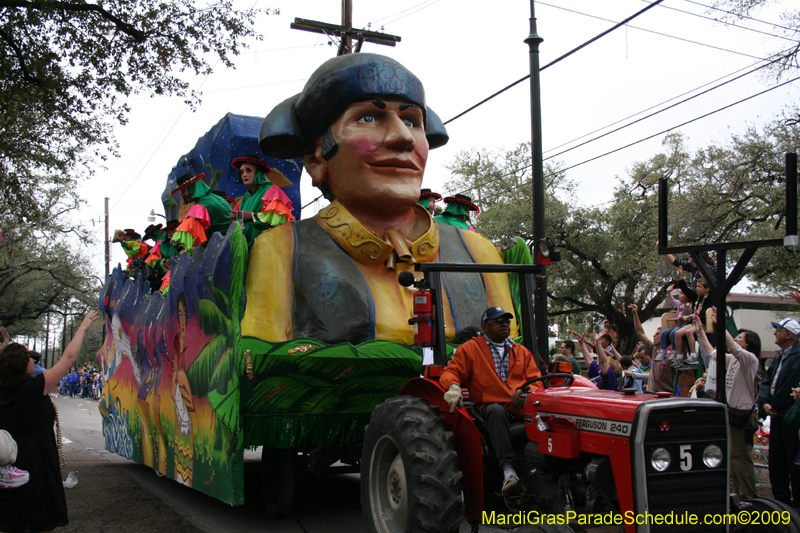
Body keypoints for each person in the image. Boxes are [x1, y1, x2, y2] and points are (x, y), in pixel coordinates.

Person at [247, 52, 516, 345]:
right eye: (368, 117)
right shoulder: (282, 251)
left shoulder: (479, 254)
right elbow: (260, 360)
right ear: (316, 157)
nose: (403, 137)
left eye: (411, 121)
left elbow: (515, 355)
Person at [0, 311, 100, 532]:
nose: (32, 362)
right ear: (23, 366)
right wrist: (82, 327)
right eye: (29, 359)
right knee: (41, 517)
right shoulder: (33, 389)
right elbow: (68, 359)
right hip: (36, 461)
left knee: (13, 520)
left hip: (7, 463)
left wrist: (6, 343)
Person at [439, 306, 543, 493]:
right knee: (495, 410)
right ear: (485, 327)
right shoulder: (470, 349)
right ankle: (508, 471)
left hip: (520, 407)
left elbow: (536, 381)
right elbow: (451, 372)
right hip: (491, 407)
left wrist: (527, 394)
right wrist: (453, 387)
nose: (505, 324)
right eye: (498, 321)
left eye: (507, 321)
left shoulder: (522, 352)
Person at [695, 310, 760, 500]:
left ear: (748, 344)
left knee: (741, 458)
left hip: (743, 414)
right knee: (733, 457)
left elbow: (733, 346)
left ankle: (750, 498)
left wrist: (719, 323)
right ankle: (738, 495)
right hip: (732, 412)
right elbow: (711, 352)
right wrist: (700, 332)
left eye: (740, 338)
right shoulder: (731, 360)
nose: (736, 339)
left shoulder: (749, 360)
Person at [757, 317, 800, 507]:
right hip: (776, 415)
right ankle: (781, 501)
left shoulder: (798, 355)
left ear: (789, 335)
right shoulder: (779, 356)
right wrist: (765, 403)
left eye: (779, 330)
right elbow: (767, 381)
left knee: (793, 460)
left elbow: (791, 383)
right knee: (777, 460)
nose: (775, 333)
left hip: (791, 415)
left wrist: (775, 404)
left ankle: (797, 504)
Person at [228, 153, 294, 248]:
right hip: (246, 247)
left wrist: (251, 216)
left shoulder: (272, 190)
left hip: (266, 247)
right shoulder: (245, 197)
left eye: (248, 170)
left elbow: (279, 220)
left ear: (258, 172)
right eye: (242, 172)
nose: (244, 174)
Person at [172, 171, 232, 244]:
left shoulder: (200, 206)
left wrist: (175, 242)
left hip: (223, 244)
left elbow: (186, 233)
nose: (182, 195)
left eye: (183, 191)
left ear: (191, 188)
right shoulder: (213, 198)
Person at [675, 272, 716, 367]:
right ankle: (679, 356)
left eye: (699, 287)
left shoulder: (711, 299)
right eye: (696, 286)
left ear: (707, 289)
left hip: (704, 324)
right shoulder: (697, 297)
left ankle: (693, 356)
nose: (697, 288)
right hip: (695, 323)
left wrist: (697, 314)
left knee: (689, 332)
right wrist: (680, 277)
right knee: (677, 333)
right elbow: (686, 290)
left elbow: (707, 312)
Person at [629, 303, 672, 394]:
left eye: (657, 333)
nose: (654, 335)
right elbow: (640, 333)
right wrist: (635, 314)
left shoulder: (672, 353)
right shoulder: (654, 349)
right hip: (651, 393)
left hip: (667, 395)